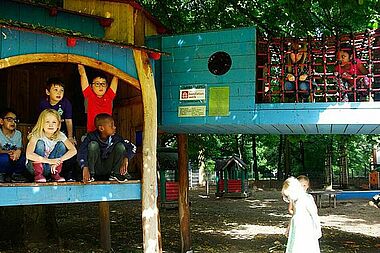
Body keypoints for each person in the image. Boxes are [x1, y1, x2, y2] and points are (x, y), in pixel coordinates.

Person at [38, 77, 77, 181]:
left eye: (62, 90)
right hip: (46, 133)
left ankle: (64, 173)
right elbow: (41, 122)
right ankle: (40, 172)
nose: (59, 92)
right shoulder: (43, 104)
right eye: (55, 89)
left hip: (62, 133)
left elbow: (68, 120)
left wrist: (70, 137)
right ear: (47, 92)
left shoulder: (66, 103)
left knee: (67, 147)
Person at [78, 113, 136, 183]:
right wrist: (85, 167)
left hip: (108, 168)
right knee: (93, 145)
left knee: (120, 146)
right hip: (96, 168)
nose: (114, 127)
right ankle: (91, 175)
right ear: (101, 128)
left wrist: (126, 158)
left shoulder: (116, 138)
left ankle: (116, 174)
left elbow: (132, 147)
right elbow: (81, 152)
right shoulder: (91, 137)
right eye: (111, 125)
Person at [26, 109, 77, 183]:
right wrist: (49, 161)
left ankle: (55, 174)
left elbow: (73, 150)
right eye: (47, 122)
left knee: (61, 145)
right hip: (34, 168)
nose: (51, 125)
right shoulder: (37, 135)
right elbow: (28, 155)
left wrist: (58, 161)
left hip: (51, 167)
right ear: (41, 123)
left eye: (54, 122)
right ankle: (38, 175)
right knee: (40, 143)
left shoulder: (60, 135)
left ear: (58, 125)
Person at [282, 177, 321, 253]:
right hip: (296, 226)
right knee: (295, 246)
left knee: (305, 246)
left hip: (305, 226)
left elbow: (314, 214)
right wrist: (289, 227)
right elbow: (294, 214)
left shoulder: (307, 198)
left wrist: (318, 229)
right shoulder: (295, 199)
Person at [78, 64, 118, 132]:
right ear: (91, 86)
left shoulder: (109, 96)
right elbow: (82, 74)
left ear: (107, 86)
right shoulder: (89, 95)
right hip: (92, 133)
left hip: (107, 133)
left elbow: (116, 77)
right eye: (97, 84)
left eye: (103, 83)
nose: (100, 86)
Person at [0, 108, 28, 183]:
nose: (13, 122)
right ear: (1, 121)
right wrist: (8, 152)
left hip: (13, 158)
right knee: (4, 158)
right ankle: (1, 174)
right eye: (9, 119)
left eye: (15, 120)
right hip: (3, 159)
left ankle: (16, 174)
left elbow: (19, 148)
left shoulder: (18, 133)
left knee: (23, 158)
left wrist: (18, 151)